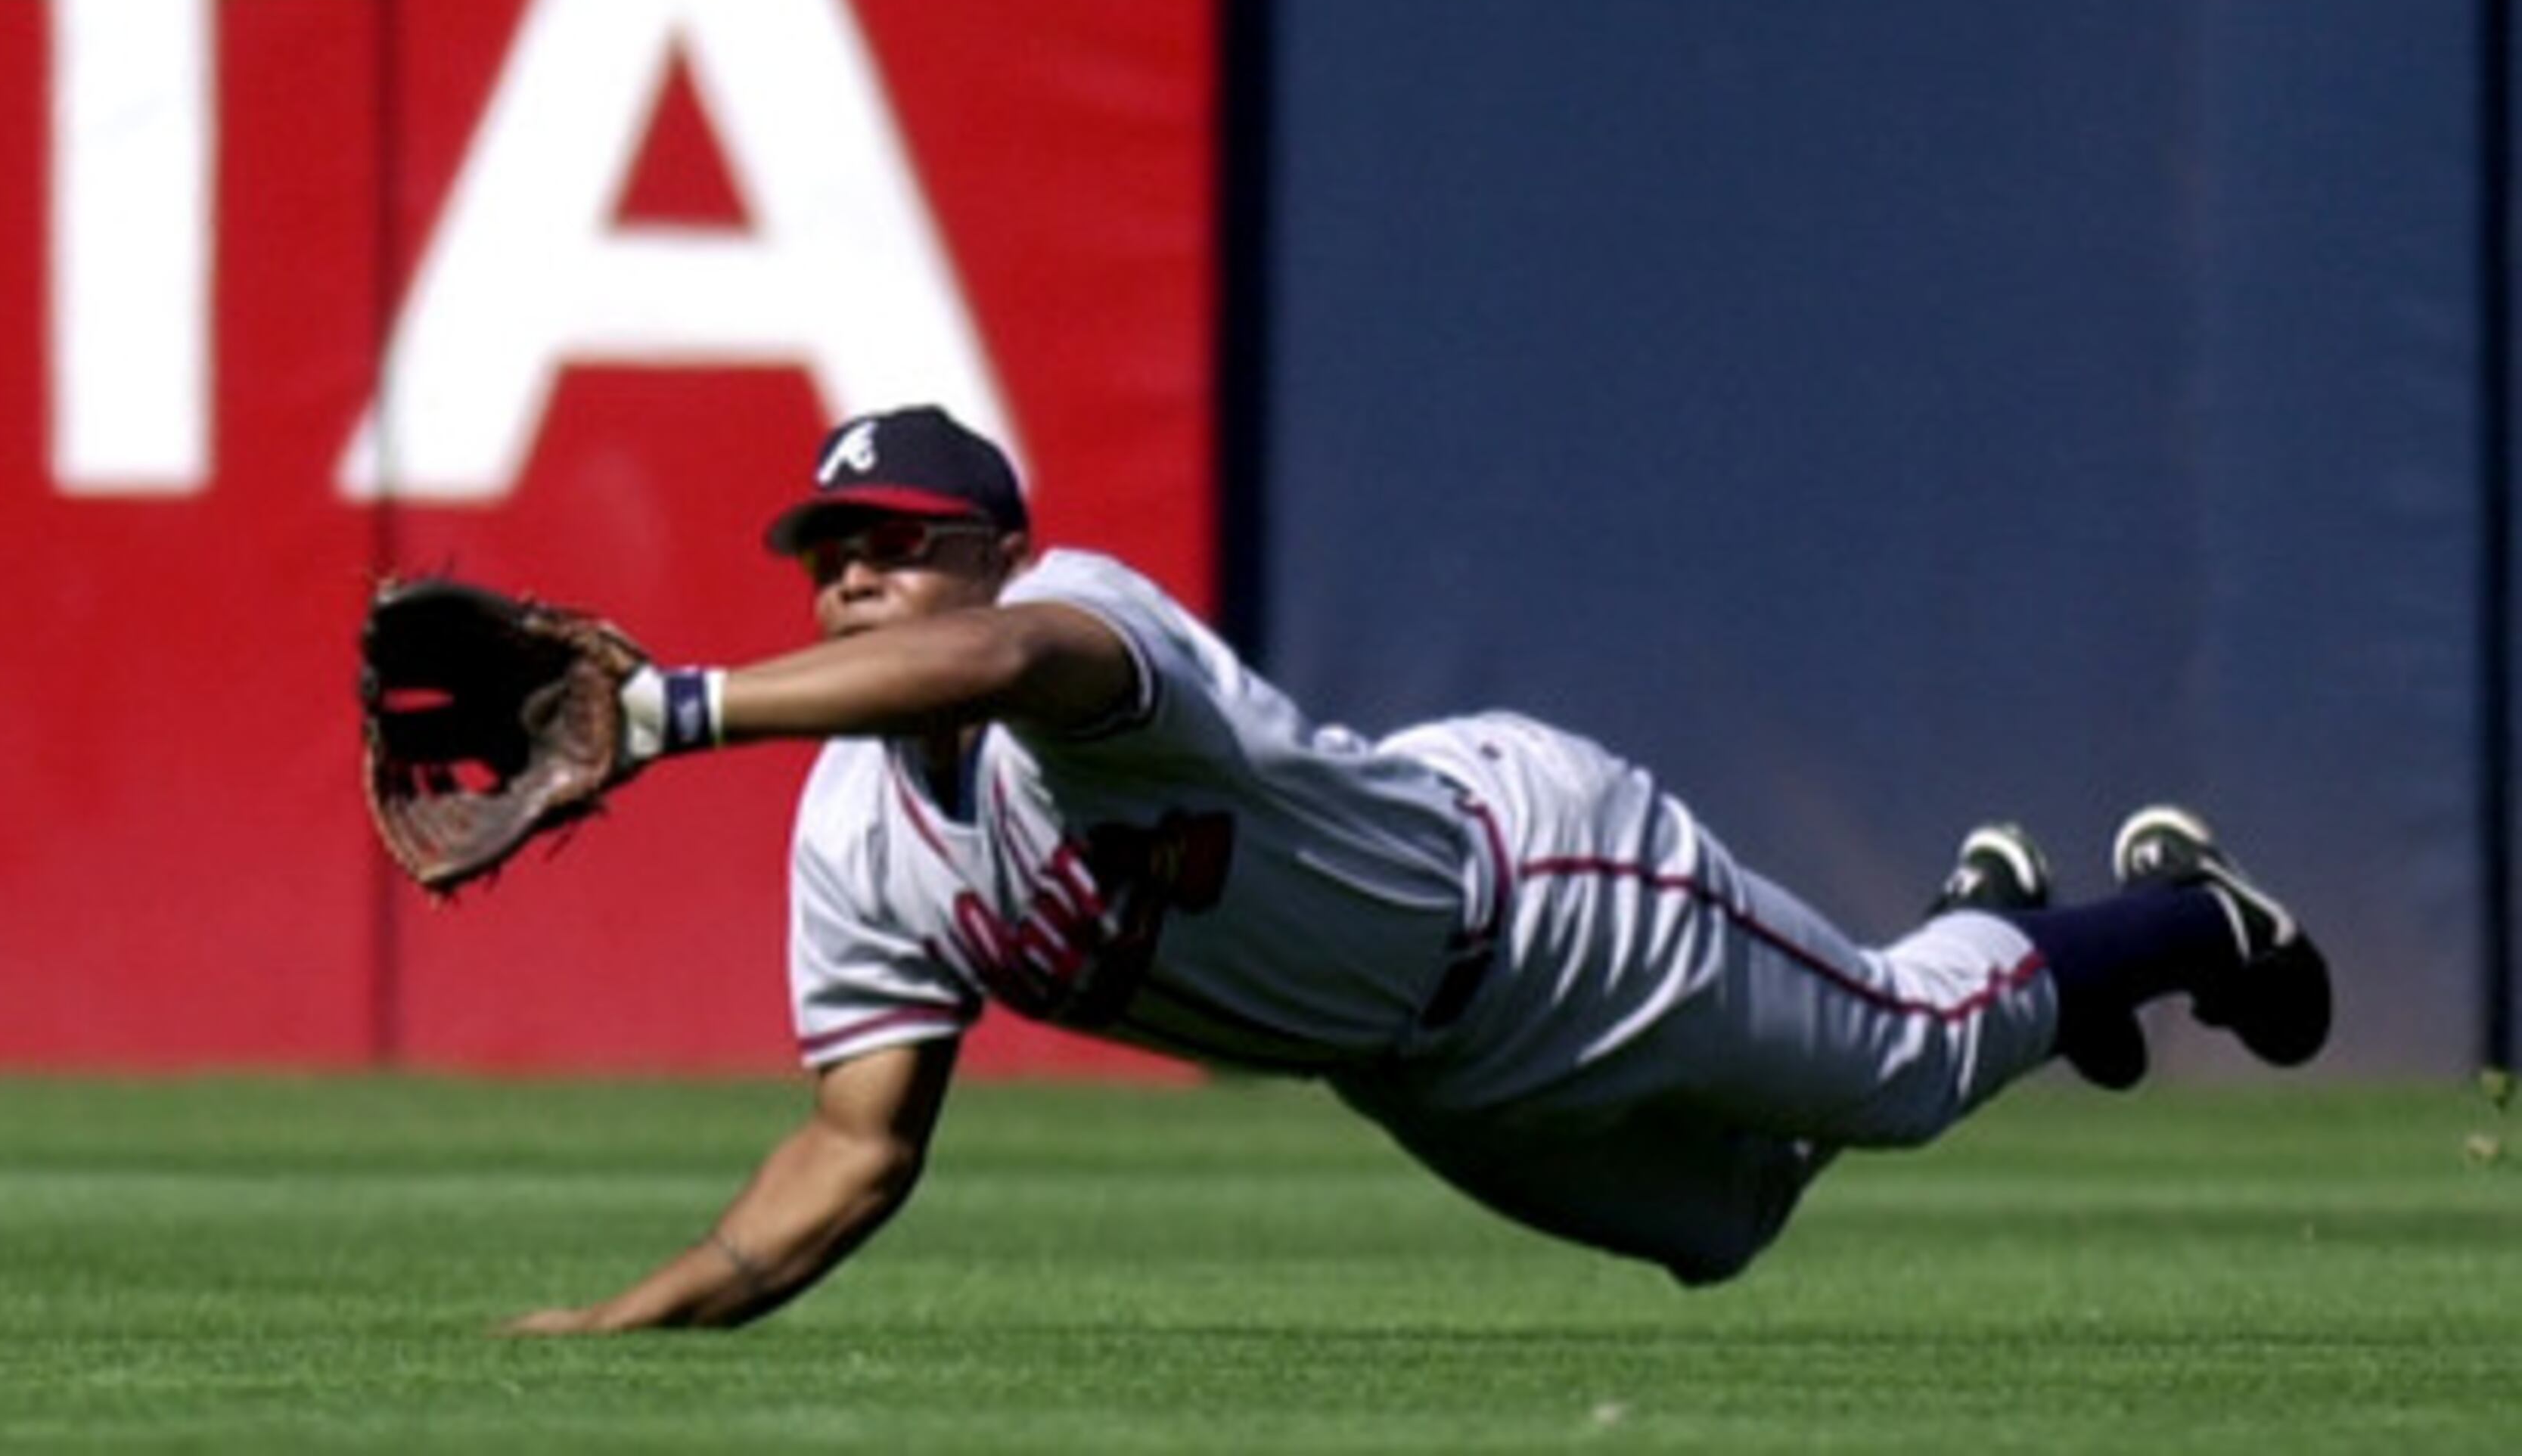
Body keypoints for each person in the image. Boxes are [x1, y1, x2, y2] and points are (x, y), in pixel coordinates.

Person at [501, 405, 2331, 1333]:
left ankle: (2179, 922)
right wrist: (621, 1330)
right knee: (1732, 1229)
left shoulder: (1079, 623)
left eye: (899, 544)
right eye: (830, 550)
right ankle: (2004, 932)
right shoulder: (855, 839)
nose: (854, 577)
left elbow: (994, 666)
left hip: (1549, 899)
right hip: (1420, 1069)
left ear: (995, 551)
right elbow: (856, 1146)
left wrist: (671, 709)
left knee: (1909, 1077)